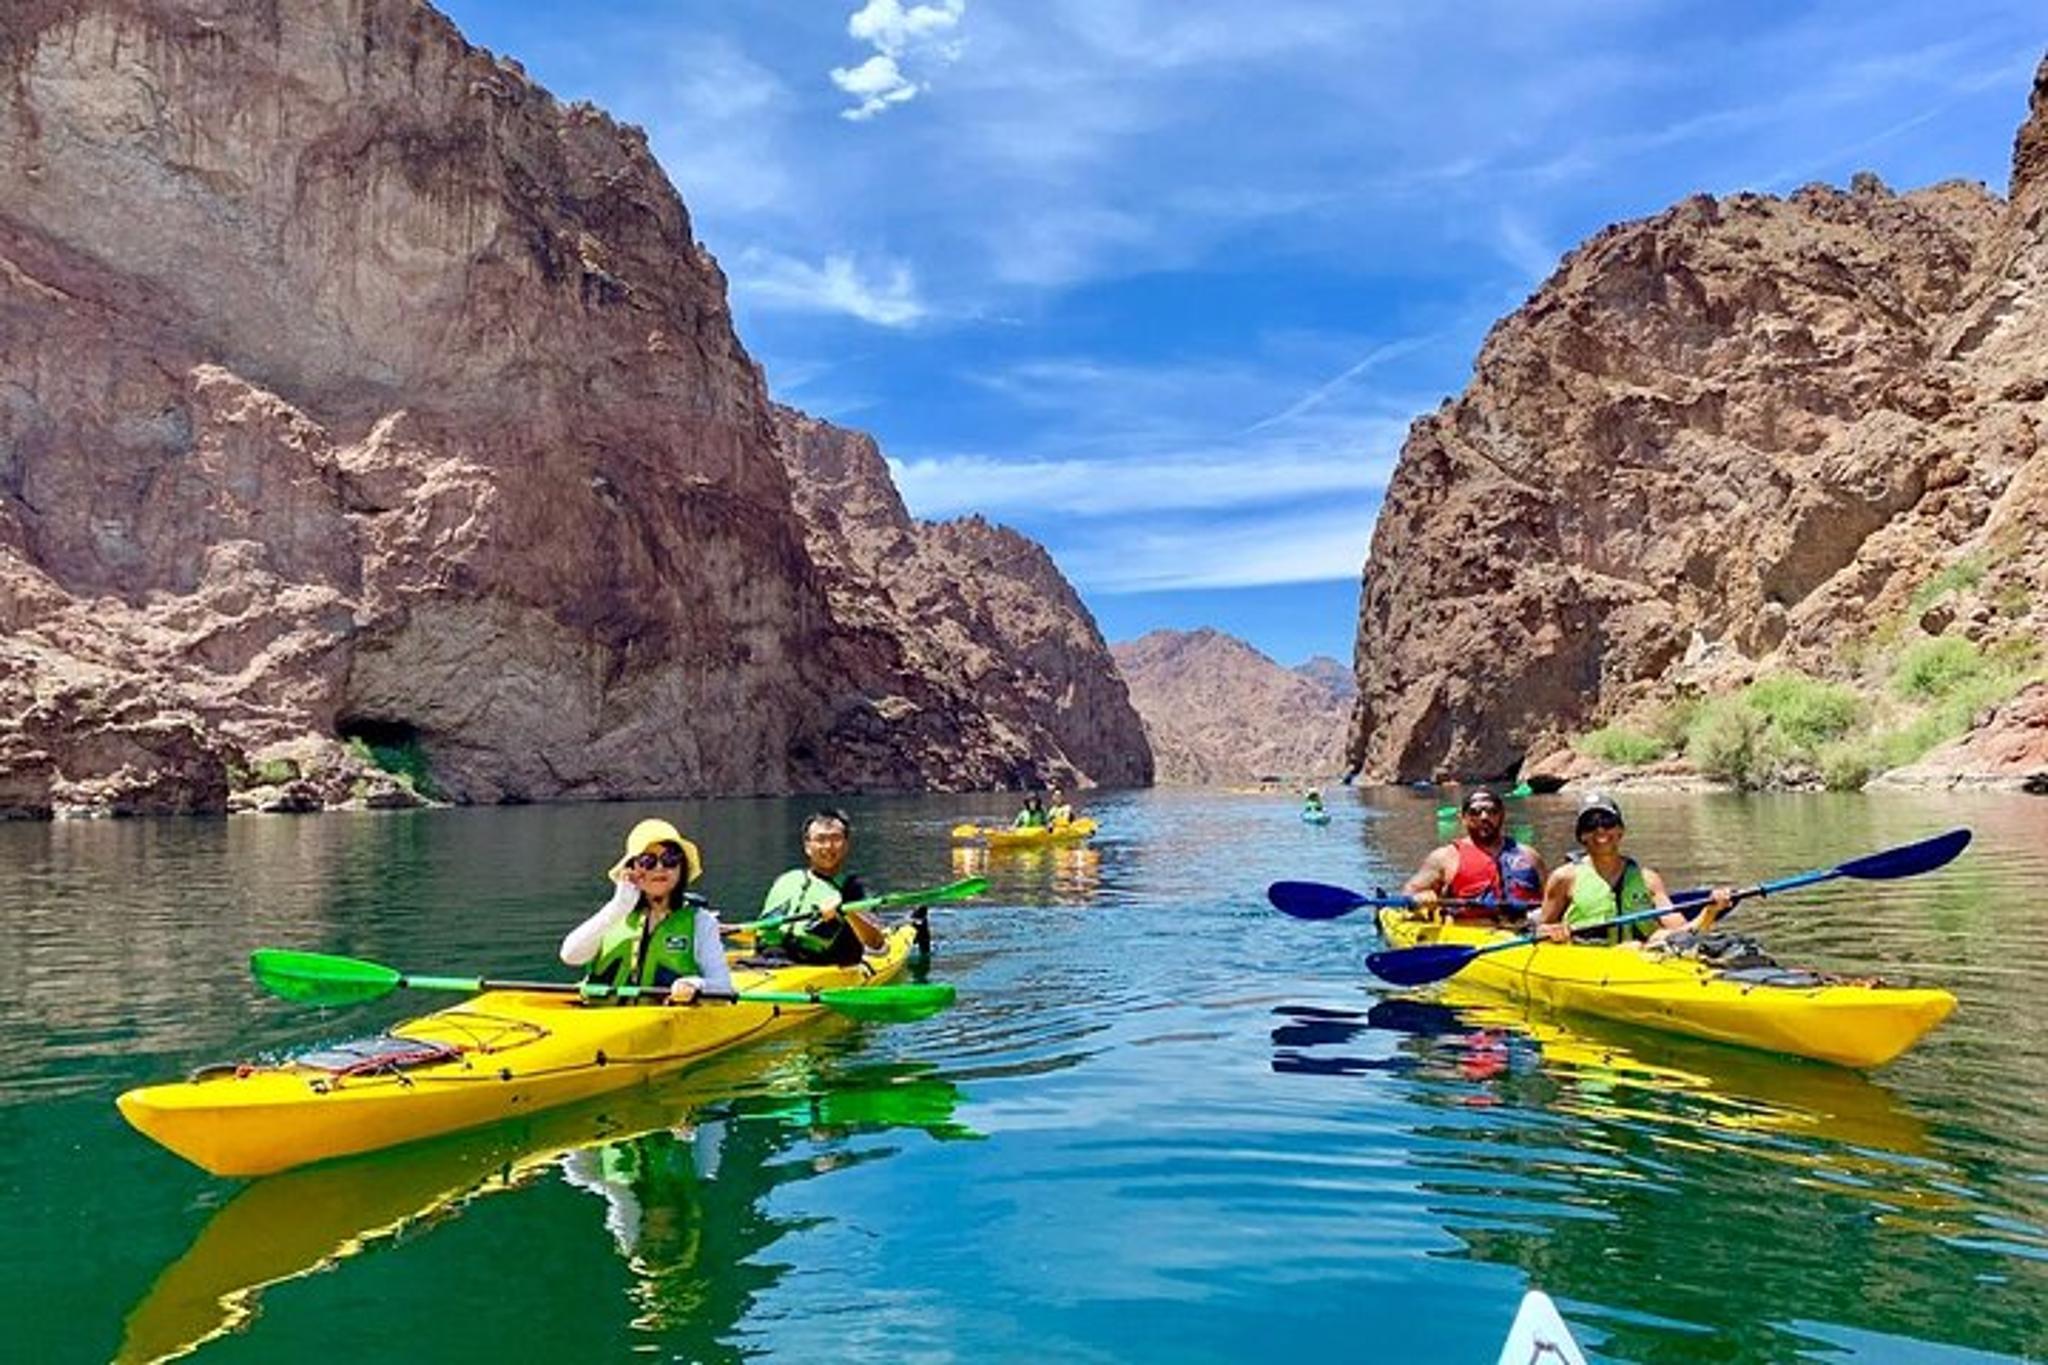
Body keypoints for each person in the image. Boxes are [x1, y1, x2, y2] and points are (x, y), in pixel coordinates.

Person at [560, 819, 734, 1002]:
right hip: (599, 1019)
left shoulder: (701, 922)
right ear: (631, 869)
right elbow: (571, 956)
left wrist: (694, 984)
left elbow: (723, 986)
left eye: (670, 859)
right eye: (647, 861)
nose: (659, 867)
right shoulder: (614, 914)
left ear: (682, 868)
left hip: (664, 1022)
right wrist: (619, 906)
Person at [1536, 792, 1730, 945]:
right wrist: (1552, 931)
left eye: (1607, 822)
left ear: (1620, 831)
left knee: (1660, 936)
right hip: (1590, 961)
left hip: (1643, 957)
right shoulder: (1563, 878)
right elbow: (1540, 931)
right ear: (1582, 835)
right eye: (1590, 825)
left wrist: (1710, 911)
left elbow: (1683, 932)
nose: (1600, 830)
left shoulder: (1648, 880)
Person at [757, 809, 885, 966]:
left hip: (821, 968)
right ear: (807, 846)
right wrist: (726, 929)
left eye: (835, 839)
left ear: (846, 845)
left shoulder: (853, 888)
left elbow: (876, 943)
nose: (828, 846)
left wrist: (847, 911)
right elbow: (761, 930)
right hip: (765, 963)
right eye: (820, 839)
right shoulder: (787, 880)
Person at [1403, 787, 1547, 924]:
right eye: (1475, 812)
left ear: (1502, 815)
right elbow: (1409, 892)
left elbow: (1552, 898)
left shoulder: (1530, 856)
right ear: (1463, 818)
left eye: (1492, 811)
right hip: (1471, 934)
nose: (1484, 817)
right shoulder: (1444, 857)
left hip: (1527, 931)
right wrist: (1421, 897)